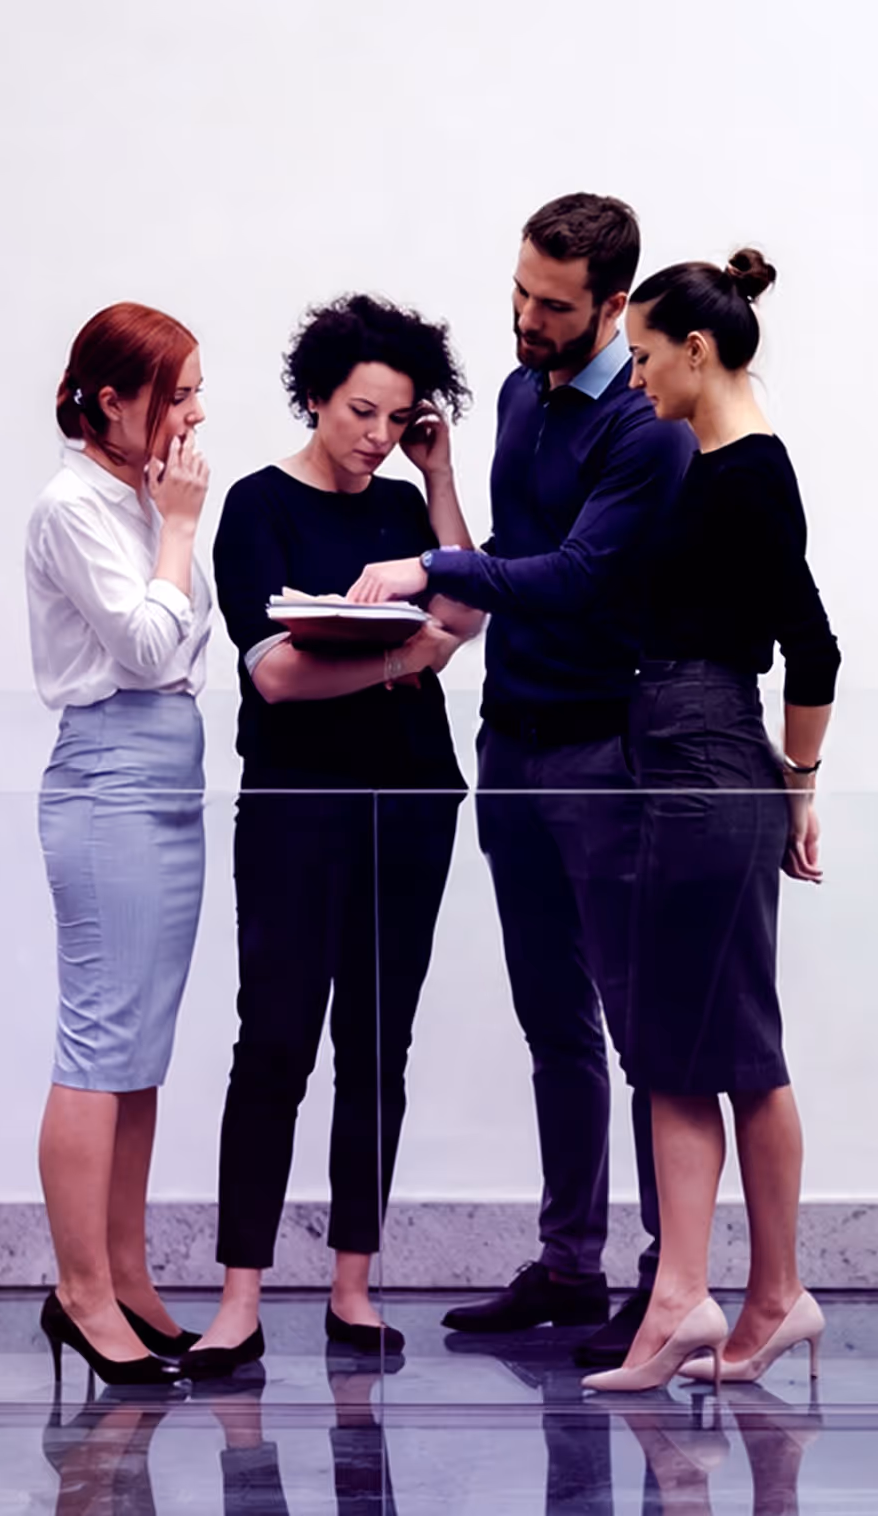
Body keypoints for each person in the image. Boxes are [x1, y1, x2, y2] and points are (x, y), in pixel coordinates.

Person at [351, 193, 696, 1366]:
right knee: (553, 1019)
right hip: (515, 737)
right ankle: (567, 1264)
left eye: (552, 304)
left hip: (606, 749)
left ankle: (667, 1275)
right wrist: (444, 502)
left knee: (644, 1031)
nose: (526, 318)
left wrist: (424, 565)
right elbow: (502, 563)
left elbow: (577, 576)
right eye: (519, 292)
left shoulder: (648, 429)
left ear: (611, 304)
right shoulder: (515, 395)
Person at [181, 293, 482, 1379]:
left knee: (378, 1043)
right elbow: (274, 670)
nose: (376, 436)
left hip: (410, 799)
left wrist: (442, 479)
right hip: (299, 803)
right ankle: (238, 1299)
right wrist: (405, 660)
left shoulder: (409, 506)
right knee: (273, 1041)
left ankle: (354, 1285)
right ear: (315, 395)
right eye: (361, 410)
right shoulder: (259, 506)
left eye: (398, 420)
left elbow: (470, 607)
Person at [581, 249, 839, 1393]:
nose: (633, 377)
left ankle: (760, 1295)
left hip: (707, 757)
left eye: (641, 356)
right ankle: (698, 1298)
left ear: (697, 348)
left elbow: (815, 643)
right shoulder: (707, 461)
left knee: (728, 1044)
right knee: (689, 1045)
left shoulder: (750, 473)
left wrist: (800, 783)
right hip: (679, 753)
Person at [26, 303, 215, 1389]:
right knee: (100, 1041)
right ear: (111, 399)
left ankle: (131, 1278)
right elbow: (151, 645)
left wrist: (172, 535)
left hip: (168, 772)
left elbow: (198, 630)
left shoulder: (141, 498)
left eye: (195, 391)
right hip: (107, 774)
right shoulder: (74, 507)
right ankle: (80, 1292)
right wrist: (178, 533)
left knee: (139, 1045)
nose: (195, 414)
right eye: (177, 393)